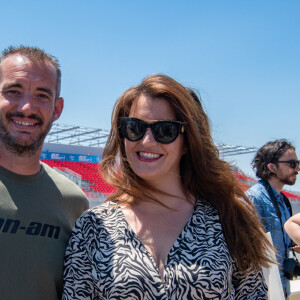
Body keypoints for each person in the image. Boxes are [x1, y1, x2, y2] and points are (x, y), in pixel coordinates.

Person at [63, 74, 272, 299]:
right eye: (135, 128)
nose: (147, 141)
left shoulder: (227, 216)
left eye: (165, 130)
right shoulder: (93, 226)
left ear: (187, 143)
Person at [0, 46, 89, 300]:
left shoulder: (74, 203)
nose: (27, 107)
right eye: (13, 91)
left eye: (42, 95)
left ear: (57, 109)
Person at [246, 139, 300, 296]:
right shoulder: (253, 198)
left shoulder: (283, 201)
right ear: (272, 167)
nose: (297, 168)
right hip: (261, 289)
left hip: (282, 287)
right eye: (292, 164)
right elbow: (244, 248)